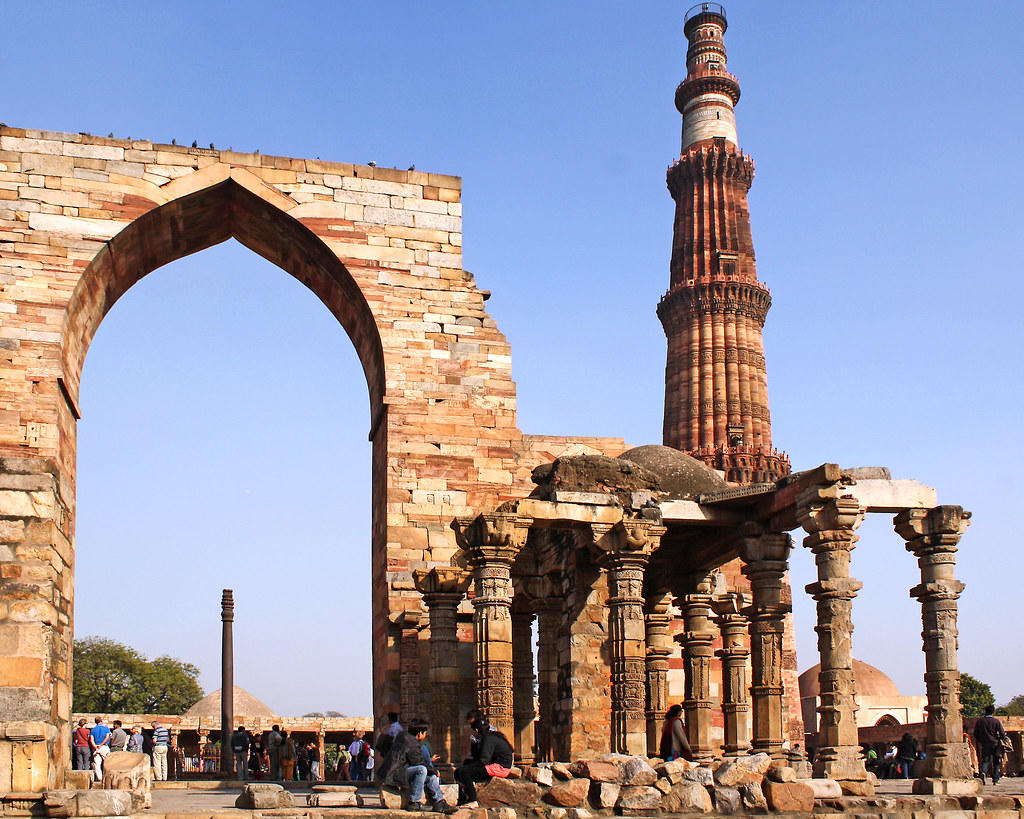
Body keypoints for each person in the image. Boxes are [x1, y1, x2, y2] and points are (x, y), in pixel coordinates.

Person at [387, 720, 452, 812]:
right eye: (425, 733)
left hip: (404, 771)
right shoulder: (410, 742)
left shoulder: (410, 740)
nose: (425, 735)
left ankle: (439, 802)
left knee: (431, 777)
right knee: (422, 770)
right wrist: (434, 770)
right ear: (419, 734)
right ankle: (414, 802)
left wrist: (432, 772)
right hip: (396, 774)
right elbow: (418, 762)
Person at [455, 718, 513, 807]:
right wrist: (474, 745)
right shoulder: (490, 736)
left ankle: (473, 800)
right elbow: (479, 758)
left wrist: (469, 767)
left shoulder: (488, 738)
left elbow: (483, 760)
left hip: (500, 768)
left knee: (464, 771)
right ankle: (464, 797)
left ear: (477, 730)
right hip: (496, 765)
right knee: (463, 767)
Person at [974, 705, 1008, 784]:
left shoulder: (980, 721)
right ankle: (995, 780)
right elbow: (1002, 733)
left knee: (985, 760)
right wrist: (1002, 739)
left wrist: (981, 740)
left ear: (985, 711)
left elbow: (975, 734)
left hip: (985, 744)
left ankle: (983, 772)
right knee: (996, 761)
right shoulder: (996, 721)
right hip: (995, 744)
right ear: (993, 712)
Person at [90, 717, 111, 781]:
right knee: (108, 762)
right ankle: (107, 777)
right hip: (104, 746)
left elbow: (91, 739)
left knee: (97, 763)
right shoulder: (106, 728)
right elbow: (107, 737)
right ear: (101, 721)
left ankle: (100, 778)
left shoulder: (93, 730)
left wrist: (95, 746)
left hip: (96, 747)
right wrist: (101, 744)